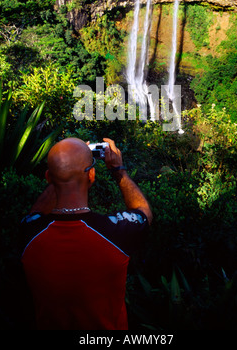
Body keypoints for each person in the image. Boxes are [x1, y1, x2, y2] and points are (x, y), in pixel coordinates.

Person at [20, 137, 152, 330]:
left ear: (49, 178)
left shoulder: (29, 232)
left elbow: (35, 214)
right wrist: (118, 170)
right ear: (91, 176)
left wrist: (62, 171)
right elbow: (144, 212)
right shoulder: (115, 233)